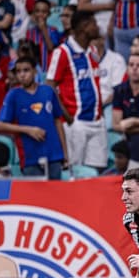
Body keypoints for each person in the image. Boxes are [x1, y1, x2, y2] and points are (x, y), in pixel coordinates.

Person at [46, 10, 108, 172]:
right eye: (94, 23)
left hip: (97, 120)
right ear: (83, 27)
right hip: (76, 122)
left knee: (97, 170)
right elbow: (50, 85)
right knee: (75, 171)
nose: (97, 27)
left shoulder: (93, 51)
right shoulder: (62, 52)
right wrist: (67, 116)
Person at [0, 56, 68, 179]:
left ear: (35, 71)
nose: (22, 75)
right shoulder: (13, 95)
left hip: (54, 155)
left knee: (56, 196)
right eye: (18, 72)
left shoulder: (48, 91)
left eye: (26, 70)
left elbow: (58, 122)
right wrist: (28, 130)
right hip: (30, 157)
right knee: (36, 197)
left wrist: (65, 153)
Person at [25, 0, 61, 71]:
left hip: (49, 69)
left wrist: (43, 29)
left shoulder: (53, 30)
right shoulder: (30, 32)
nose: (40, 14)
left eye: (44, 12)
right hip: (35, 71)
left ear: (49, 14)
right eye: (37, 11)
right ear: (33, 13)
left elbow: (51, 48)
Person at [92, 35, 126, 109]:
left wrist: (100, 107)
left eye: (93, 39)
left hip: (109, 105)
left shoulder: (116, 60)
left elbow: (118, 91)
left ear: (102, 40)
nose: (90, 43)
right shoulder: (83, 60)